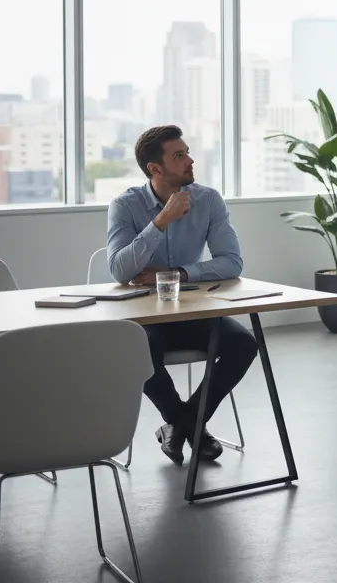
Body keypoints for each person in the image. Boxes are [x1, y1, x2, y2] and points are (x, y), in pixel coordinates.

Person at [106, 125, 255, 465]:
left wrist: (179, 274)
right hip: (146, 318)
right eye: (179, 156)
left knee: (244, 343)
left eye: (187, 152)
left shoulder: (208, 200)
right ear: (154, 169)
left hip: (191, 311)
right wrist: (161, 220)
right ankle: (191, 428)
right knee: (139, 349)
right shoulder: (125, 205)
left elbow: (232, 262)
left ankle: (181, 424)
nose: (190, 161)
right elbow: (118, 270)